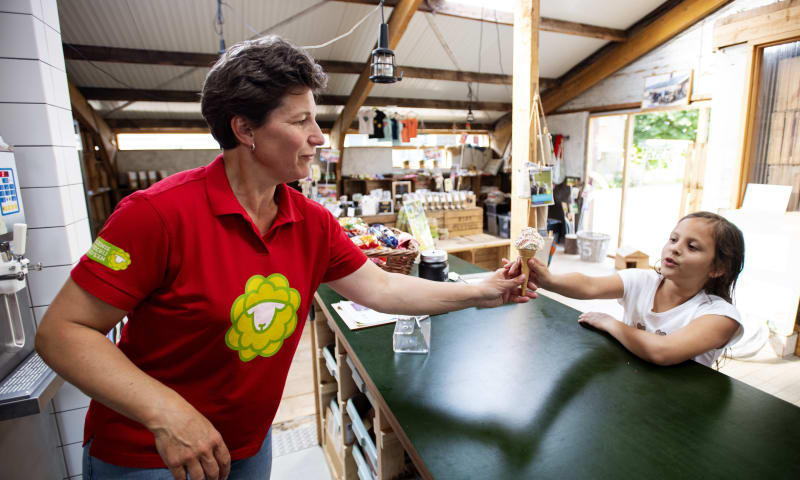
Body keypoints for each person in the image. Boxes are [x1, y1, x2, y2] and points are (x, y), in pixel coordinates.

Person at [35, 36, 536, 480]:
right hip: (151, 453)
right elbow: (62, 332)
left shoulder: (310, 221)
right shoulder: (154, 216)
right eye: (301, 121)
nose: (319, 136)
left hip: (248, 447)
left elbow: (383, 289)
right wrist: (168, 413)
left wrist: (481, 291)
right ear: (246, 130)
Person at [511, 211, 745, 368]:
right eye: (673, 240)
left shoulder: (721, 317)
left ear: (717, 268)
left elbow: (662, 351)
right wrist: (548, 280)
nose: (675, 249)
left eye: (692, 247)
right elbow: (589, 285)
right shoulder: (642, 281)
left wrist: (610, 323)